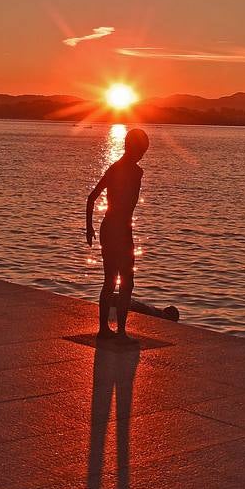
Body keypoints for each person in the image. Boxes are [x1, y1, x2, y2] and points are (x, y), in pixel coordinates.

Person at [86, 127, 149, 341]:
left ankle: (119, 330)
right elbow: (91, 198)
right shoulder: (118, 169)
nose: (142, 156)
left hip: (123, 229)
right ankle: (106, 329)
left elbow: (92, 199)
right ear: (132, 148)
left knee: (126, 281)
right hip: (114, 229)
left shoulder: (132, 171)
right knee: (112, 280)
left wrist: (91, 228)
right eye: (141, 151)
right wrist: (89, 228)